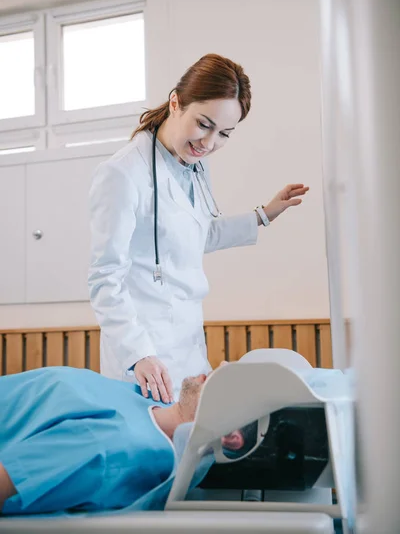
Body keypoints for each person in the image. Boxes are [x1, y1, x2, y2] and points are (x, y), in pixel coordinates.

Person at [88, 53, 309, 403]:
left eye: (224, 134)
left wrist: (264, 215)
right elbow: (105, 276)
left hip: (189, 341)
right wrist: (138, 353)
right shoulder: (123, 174)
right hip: (144, 352)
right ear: (176, 102)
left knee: (197, 449)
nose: (209, 143)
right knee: (157, 452)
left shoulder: (194, 167)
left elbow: (197, 235)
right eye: (204, 124)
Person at [0, 366, 211, 515]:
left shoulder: (110, 445)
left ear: (232, 437)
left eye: (229, 378)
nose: (222, 364)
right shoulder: (155, 403)